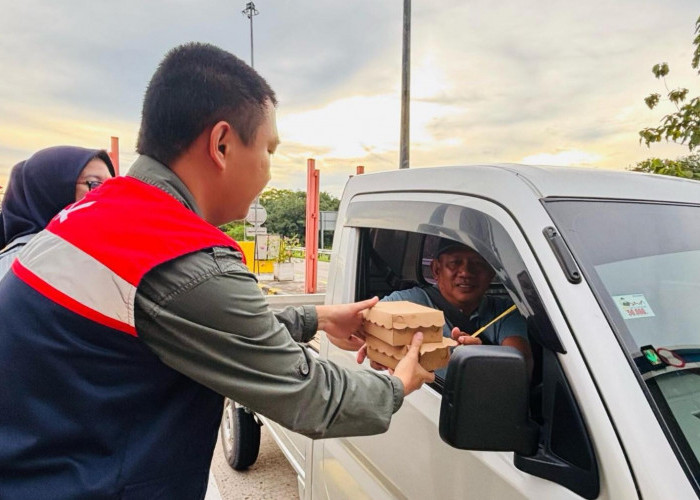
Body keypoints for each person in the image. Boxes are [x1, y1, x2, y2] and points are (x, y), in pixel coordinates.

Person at [0, 43, 433, 499]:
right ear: (222, 144)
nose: (268, 169)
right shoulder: (179, 253)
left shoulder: (98, 215)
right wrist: (398, 382)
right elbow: (313, 398)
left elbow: (186, 327)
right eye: (268, 149)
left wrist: (319, 318)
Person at [379, 238, 532, 376]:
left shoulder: (506, 311)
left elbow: (521, 367)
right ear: (436, 270)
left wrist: (483, 357)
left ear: (491, 273)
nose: (466, 272)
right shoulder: (406, 302)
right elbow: (365, 328)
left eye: (477, 264)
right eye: (455, 263)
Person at [0, 146, 114, 277]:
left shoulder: (76, 254)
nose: (110, 194)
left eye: (112, 185)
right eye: (95, 184)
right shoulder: (18, 266)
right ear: (49, 192)